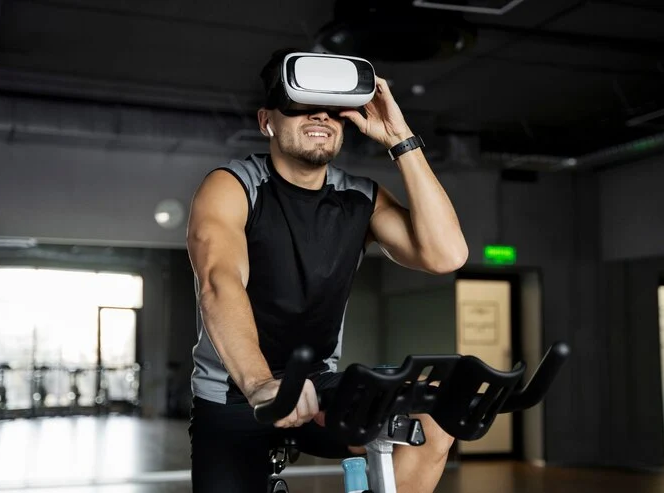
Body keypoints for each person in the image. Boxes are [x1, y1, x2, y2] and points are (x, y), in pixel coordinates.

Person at [186, 48, 469, 493]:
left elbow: (446, 255)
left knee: (431, 420)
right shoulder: (232, 186)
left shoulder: (360, 198)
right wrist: (261, 383)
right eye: (300, 106)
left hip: (318, 384)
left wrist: (400, 137)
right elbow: (219, 283)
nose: (320, 117)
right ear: (267, 121)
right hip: (235, 392)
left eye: (334, 110)